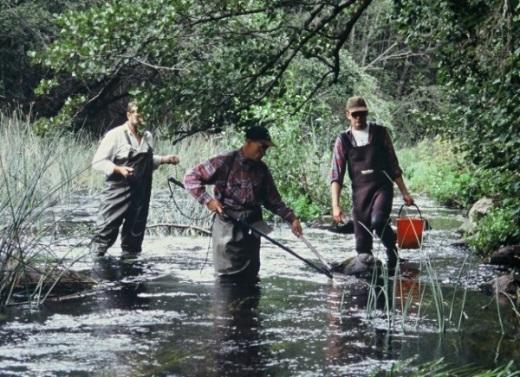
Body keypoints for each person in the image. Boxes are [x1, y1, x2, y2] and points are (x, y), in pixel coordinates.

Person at [183, 125, 303, 281]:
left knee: (251, 277)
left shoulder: (262, 170)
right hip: (228, 227)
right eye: (260, 147)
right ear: (248, 142)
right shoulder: (224, 161)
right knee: (227, 279)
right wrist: (209, 201)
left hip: (253, 227)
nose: (263, 152)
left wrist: (292, 219)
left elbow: (274, 201)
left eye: (266, 149)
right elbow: (190, 178)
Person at [330, 96, 413, 272]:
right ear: (348, 115)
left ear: (367, 113)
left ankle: (392, 250)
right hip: (360, 193)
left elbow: (393, 165)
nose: (359, 118)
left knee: (379, 221)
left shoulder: (381, 133)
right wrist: (335, 205)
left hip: (382, 187)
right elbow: (336, 175)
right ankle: (367, 288)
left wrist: (405, 192)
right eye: (355, 115)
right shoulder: (343, 140)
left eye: (363, 114)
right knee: (362, 248)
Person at [90, 101, 180, 258]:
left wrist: (165, 159)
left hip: (141, 194)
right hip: (117, 192)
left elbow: (146, 162)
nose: (142, 120)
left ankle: (132, 274)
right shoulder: (115, 135)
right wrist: (119, 169)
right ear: (129, 115)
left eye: (145, 116)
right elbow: (97, 162)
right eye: (139, 116)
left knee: (134, 238)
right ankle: (96, 268)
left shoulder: (148, 136)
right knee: (105, 231)